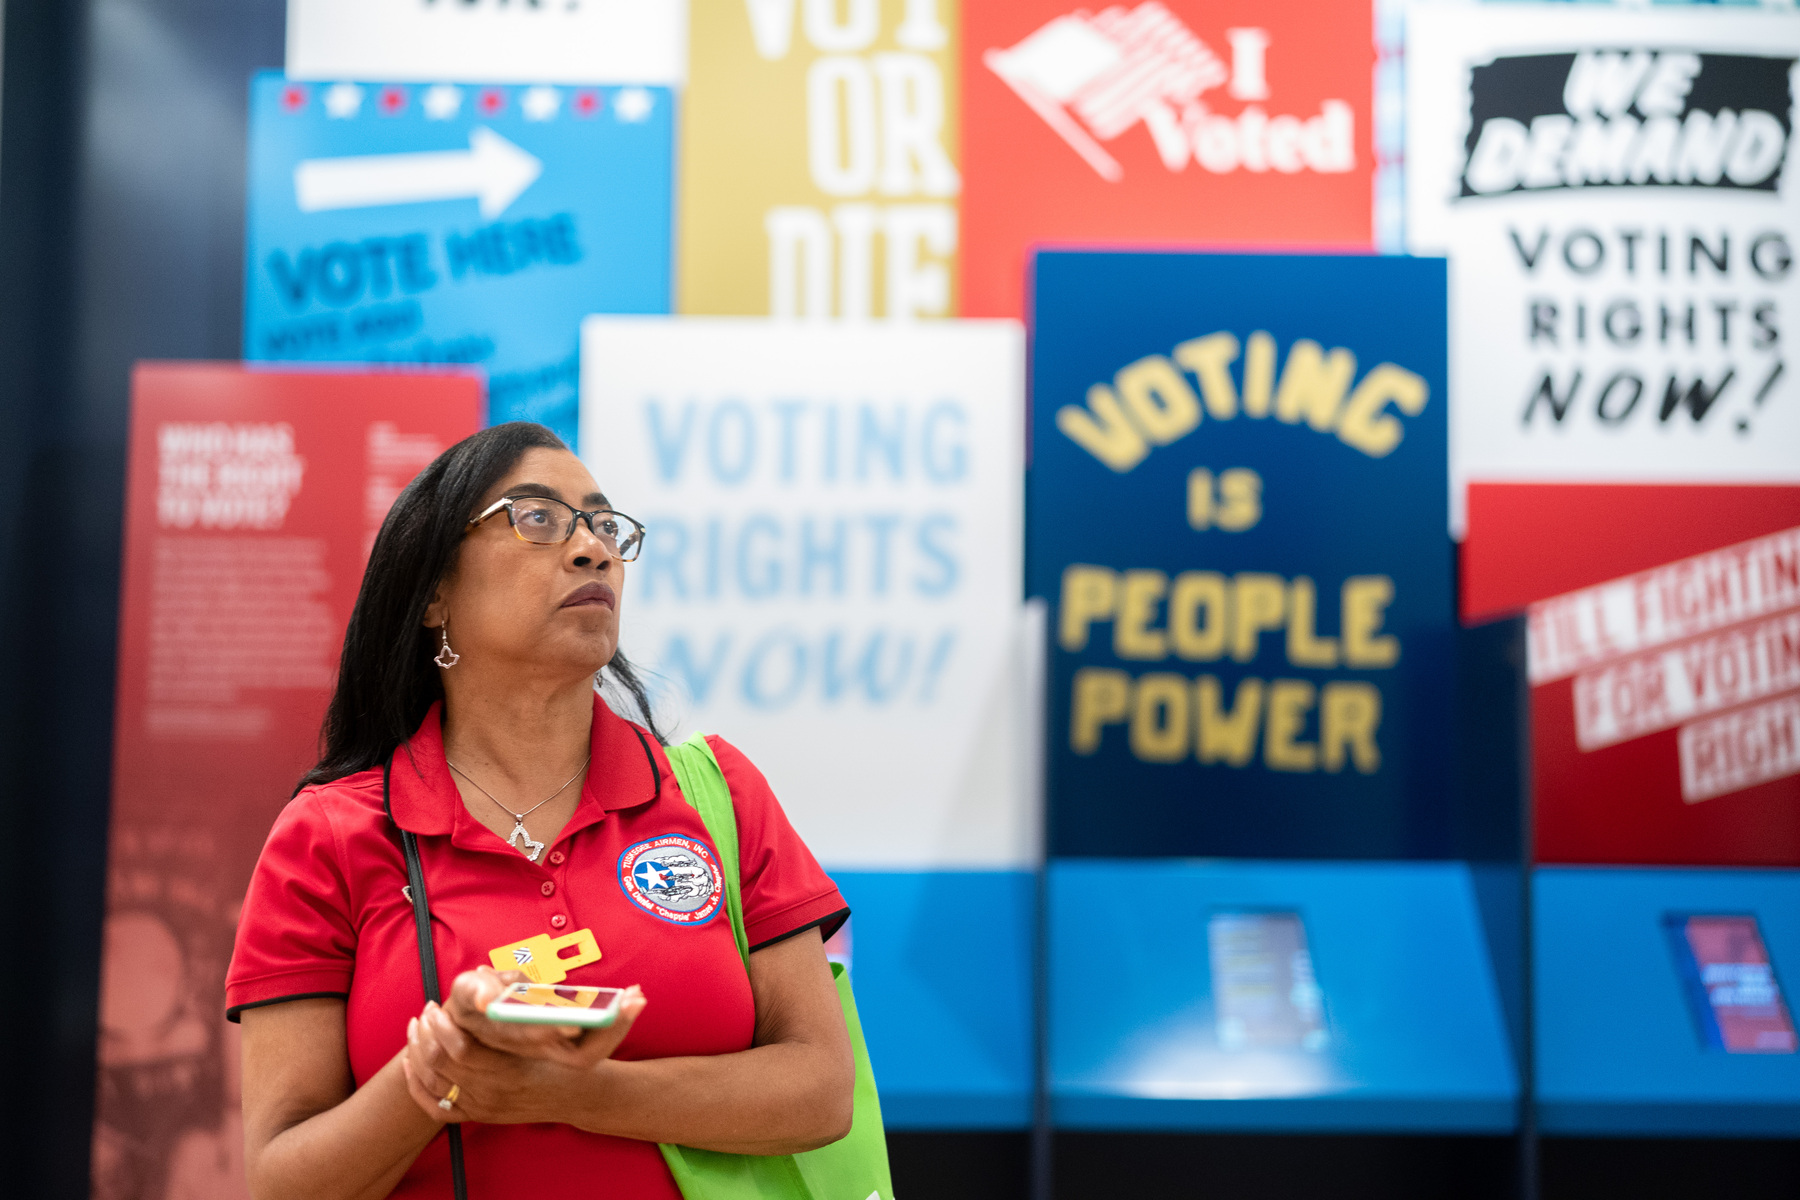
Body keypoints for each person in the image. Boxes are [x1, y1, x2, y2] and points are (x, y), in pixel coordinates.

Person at [226, 422, 855, 1199]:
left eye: (603, 525)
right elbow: (282, 1180)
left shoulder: (715, 792)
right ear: (433, 595)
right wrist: (442, 1068)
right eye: (537, 518)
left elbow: (823, 1090)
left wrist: (571, 1093)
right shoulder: (330, 834)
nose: (592, 548)